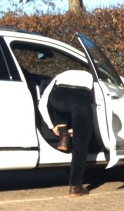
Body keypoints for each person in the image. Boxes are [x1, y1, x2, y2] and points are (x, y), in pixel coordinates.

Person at [38, 69, 97, 197]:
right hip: (81, 99)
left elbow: (42, 104)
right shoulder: (91, 77)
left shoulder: (59, 76)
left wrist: (52, 126)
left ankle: (63, 134)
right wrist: (80, 128)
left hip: (59, 97)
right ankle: (75, 186)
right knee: (80, 146)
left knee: (55, 106)